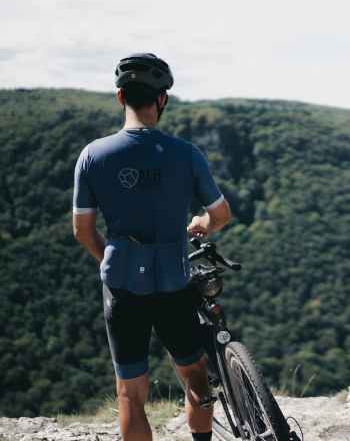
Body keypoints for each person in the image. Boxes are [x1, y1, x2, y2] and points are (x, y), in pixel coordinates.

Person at [72, 53, 232, 441]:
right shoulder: (186, 154)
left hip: (123, 283)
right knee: (194, 374)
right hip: (174, 279)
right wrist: (202, 224)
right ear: (162, 99)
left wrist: (111, 257)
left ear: (120, 96)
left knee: (130, 393)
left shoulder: (93, 155)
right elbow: (221, 214)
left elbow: (83, 230)